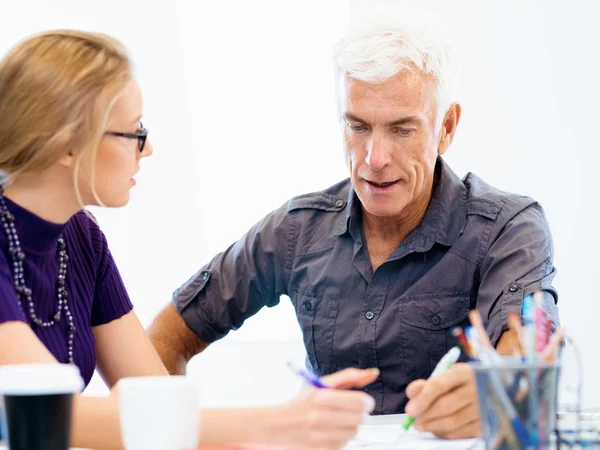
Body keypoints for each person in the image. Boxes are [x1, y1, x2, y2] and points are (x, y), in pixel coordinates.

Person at [148, 9, 560, 440]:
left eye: (402, 130)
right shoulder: (296, 230)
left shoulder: (507, 229)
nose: (373, 159)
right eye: (358, 126)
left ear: (447, 127)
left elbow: (528, 360)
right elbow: (162, 341)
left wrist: (497, 391)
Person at [0, 30, 379, 450]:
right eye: (133, 132)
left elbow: (155, 398)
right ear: (66, 143)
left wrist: (286, 424)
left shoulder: (81, 238)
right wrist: (278, 424)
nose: (147, 150)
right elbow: (52, 416)